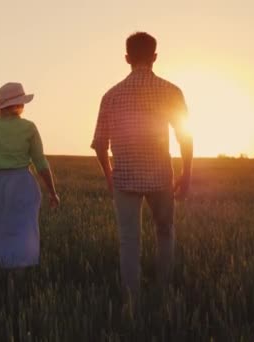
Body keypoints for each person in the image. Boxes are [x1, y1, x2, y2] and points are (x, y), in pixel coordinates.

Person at [90, 32, 193, 307]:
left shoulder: (110, 95)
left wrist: (109, 175)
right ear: (155, 57)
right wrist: (187, 173)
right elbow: (186, 137)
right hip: (161, 176)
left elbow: (100, 144)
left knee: (129, 241)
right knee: (165, 231)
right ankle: (163, 290)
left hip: (124, 177)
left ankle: (131, 301)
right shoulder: (171, 91)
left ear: (126, 58)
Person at [0, 82, 60, 269]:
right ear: (20, 104)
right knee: (25, 233)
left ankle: (2, 278)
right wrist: (53, 192)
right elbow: (41, 164)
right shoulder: (29, 127)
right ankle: (22, 277)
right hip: (23, 184)